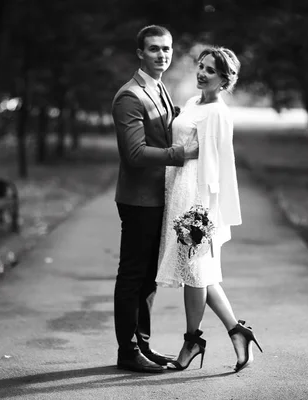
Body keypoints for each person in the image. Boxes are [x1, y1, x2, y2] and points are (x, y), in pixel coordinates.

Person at [156, 46, 263, 373]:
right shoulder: (193, 102)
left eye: (210, 70)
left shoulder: (218, 112)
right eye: (201, 66)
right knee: (200, 274)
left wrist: (203, 215)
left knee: (195, 274)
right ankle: (237, 331)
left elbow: (217, 165)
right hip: (179, 191)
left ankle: (192, 340)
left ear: (224, 79)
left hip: (197, 200)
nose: (202, 73)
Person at [111, 25, 199, 373]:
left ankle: (142, 347)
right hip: (138, 199)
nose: (161, 55)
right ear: (140, 53)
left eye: (166, 49)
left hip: (158, 196)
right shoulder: (129, 96)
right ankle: (127, 351)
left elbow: (162, 128)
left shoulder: (158, 87)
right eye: (153, 49)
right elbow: (134, 153)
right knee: (133, 275)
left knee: (149, 277)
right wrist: (180, 153)